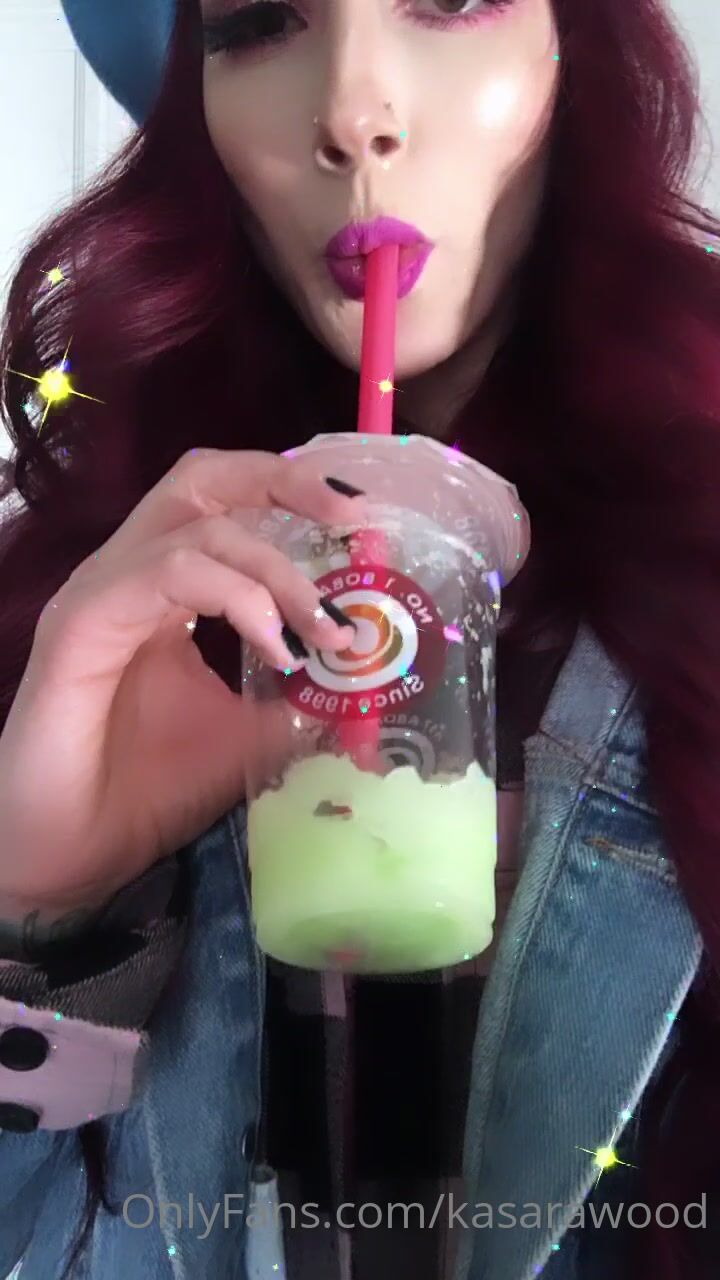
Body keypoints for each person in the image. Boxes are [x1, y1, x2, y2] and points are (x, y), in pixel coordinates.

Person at [0, 0, 719, 1277]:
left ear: (581, 48)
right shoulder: (78, 607)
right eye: (256, 23)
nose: (350, 114)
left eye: (449, 2)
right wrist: (39, 915)